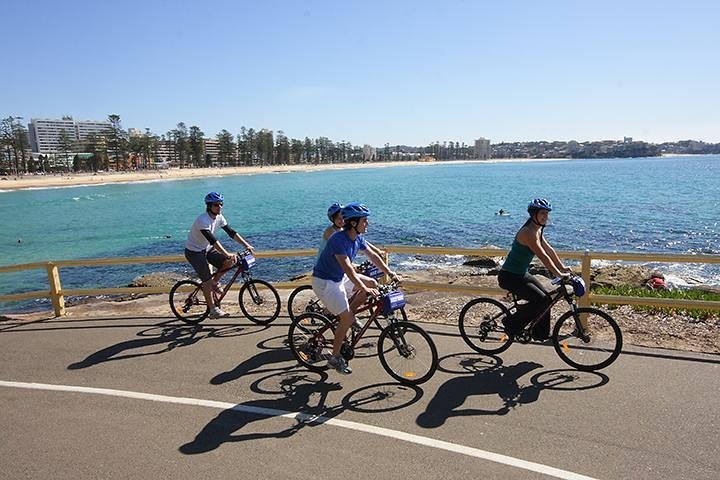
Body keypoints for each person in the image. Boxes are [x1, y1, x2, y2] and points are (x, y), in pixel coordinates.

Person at [311, 202, 401, 374]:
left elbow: (373, 255)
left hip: (338, 278)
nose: (368, 224)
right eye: (364, 221)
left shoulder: (357, 237)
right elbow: (349, 269)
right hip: (325, 282)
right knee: (346, 317)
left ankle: (349, 316)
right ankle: (335, 358)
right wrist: (363, 289)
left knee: (373, 283)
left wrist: (390, 273)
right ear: (353, 223)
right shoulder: (338, 240)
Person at [497, 198, 571, 340]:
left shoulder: (537, 230)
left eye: (547, 214)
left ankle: (539, 334)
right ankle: (510, 323)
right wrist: (559, 274)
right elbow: (542, 256)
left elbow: (549, 250)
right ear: (533, 214)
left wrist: (562, 267)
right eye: (543, 213)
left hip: (521, 274)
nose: (546, 217)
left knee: (547, 299)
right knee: (540, 300)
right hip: (509, 277)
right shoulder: (528, 232)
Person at [184, 192, 255, 319]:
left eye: (221, 204)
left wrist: (246, 245)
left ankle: (215, 283)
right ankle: (212, 310)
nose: (219, 207)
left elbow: (231, 233)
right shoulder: (202, 220)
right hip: (194, 251)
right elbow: (213, 240)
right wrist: (227, 253)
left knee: (229, 262)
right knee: (206, 281)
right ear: (209, 206)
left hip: (207, 249)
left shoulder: (219, 217)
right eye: (216, 205)